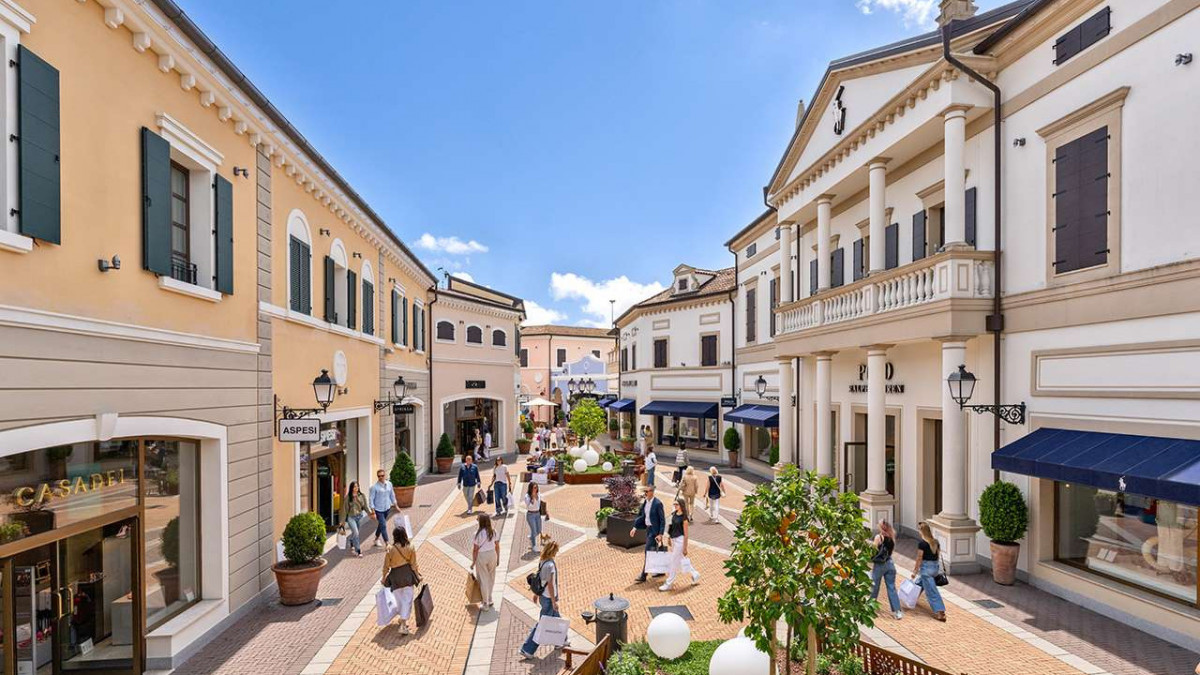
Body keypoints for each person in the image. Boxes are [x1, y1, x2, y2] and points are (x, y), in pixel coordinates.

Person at [519, 539, 561, 660]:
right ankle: (527, 649)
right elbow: (550, 585)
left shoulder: (542, 561)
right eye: (556, 551)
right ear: (553, 551)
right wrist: (554, 601)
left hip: (544, 597)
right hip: (548, 598)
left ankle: (561, 640)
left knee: (556, 619)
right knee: (542, 624)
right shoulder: (550, 565)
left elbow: (540, 580)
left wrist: (537, 594)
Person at [381, 525, 420, 634]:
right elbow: (414, 564)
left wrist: (384, 577)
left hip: (395, 577)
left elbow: (386, 566)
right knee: (407, 600)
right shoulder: (411, 547)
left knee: (399, 600)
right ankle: (403, 624)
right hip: (408, 576)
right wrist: (418, 575)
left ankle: (402, 620)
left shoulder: (390, 549)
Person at [661, 495, 700, 591]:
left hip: (680, 541)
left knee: (673, 561)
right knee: (681, 559)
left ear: (681, 505)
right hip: (674, 540)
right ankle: (695, 574)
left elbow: (686, 535)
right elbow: (671, 527)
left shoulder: (684, 519)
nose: (675, 506)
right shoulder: (674, 514)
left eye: (677, 504)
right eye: (675, 504)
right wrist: (669, 538)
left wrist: (685, 548)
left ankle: (669, 583)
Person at [913, 521, 947, 622]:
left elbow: (919, 558)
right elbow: (937, 556)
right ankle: (910, 598)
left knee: (931, 591)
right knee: (919, 583)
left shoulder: (922, 544)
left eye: (919, 530)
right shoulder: (935, 542)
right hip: (934, 568)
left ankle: (940, 612)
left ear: (921, 531)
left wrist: (915, 571)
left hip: (926, 569)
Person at [631, 484, 666, 583]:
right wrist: (635, 527)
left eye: (647, 491)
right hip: (648, 529)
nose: (645, 493)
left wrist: (660, 534)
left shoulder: (658, 504)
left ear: (652, 492)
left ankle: (643, 575)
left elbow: (662, 520)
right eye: (644, 492)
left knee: (648, 552)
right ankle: (661, 571)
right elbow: (641, 516)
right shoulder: (645, 503)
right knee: (657, 551)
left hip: (655, 532)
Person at [871, 520, 903, 620]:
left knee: (875, 586)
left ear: (881, 527)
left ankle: (870, 608)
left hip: (879, 565)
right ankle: (897, 612)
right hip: (890, 564)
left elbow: (873, 550)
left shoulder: (878, 537)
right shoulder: (892, 538)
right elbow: (891, 552)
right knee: (892, 588)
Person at [471, 514, 500, 609]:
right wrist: (498, 558)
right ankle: (490, 598)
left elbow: (475, 550)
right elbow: (497, 546)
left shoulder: (477, 534)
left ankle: (485, 603)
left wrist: (473, 562)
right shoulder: (494, 532)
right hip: (492, 555)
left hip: (482, 556)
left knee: (483, 579)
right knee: (491, 577)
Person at [369, 468, 397, 547]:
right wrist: (373, 511)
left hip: (387, 508)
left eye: (382, 475)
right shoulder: (374, 487)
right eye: (379, 476)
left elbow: (392, 495)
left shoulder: (389, 484)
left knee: (381, 525)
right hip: (378, 510)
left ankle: (376, 539)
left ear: (385, 475)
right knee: (383, 525)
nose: (381, 477)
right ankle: (387, 543)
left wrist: (396, 505)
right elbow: (371, 500)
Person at [340, 481, 368, 557]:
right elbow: (345, 510)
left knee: (356, 533)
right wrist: (342, 521)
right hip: (351, 517)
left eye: (357, 486)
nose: (356, 488)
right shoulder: (348, 497)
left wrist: (370, 514)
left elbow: (365, 506)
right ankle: (358, 550)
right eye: (354, 487)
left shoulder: (362, 496)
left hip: (359, 516)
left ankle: (351, 541)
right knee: (356, 533)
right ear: (351, 488)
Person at [524, 482, 543, 553]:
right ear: (531, 488)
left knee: (538, 530)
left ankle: (531, 537)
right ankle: (534, 546)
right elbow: (529, 506)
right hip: (530, 515)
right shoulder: (527, 496)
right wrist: (532, 498)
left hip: (537, 514)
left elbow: (539, 504)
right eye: (534, 487)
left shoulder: (538, 494)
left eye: (536, 487)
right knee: (534, 530)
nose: (535, 489)